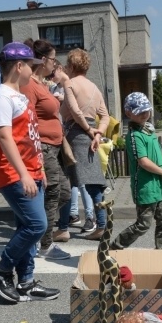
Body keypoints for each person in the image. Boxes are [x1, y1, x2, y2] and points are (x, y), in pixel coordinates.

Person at [0, 42, 61, 303]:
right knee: (37, 225)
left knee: (25, 226)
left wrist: (39, 170)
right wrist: (25, 174)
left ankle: (26, 282)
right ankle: (1, 270)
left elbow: (30, 139)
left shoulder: (20, 97)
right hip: (14, 174)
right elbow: (5, 137)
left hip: (32, 172)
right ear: (19, 67)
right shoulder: (1, 98)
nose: (34, 71)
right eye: (31, 66)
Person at [20, 38, 72, 260]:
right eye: (52, 58)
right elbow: (27, 118)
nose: (55, 63)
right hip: (42, 147)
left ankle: (36, 229)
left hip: (54, 147)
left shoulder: (41, 84)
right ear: (42, 60)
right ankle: (45, 245)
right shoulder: (29, 85)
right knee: (53, 192)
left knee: (65, 192)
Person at [110, 92, 162, 250]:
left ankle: (161, 252)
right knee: (143, 224)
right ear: (128, 113)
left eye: (147, 110)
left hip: (160, 185)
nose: (145, 114)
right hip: (145, 188)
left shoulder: (149, 130)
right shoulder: (134, 135)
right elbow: (143, 162)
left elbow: (161, 152)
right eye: (140, 111)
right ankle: (115, 247)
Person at [60, 48, 110, 240]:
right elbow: (105, 116)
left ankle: (63, 227)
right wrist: (97, 135)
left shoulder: (70, 84)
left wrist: (90, 132)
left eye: (67, 64)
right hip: (90, 137)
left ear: (72, 66)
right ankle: (102, 225)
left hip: (74, 135)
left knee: (66, 183)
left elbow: (74, 110)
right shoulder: (94, 88)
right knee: (94, 184)